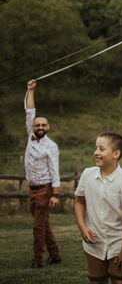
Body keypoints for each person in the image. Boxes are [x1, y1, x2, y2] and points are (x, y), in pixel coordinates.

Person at [74, 132, 122, 284]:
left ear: (116, 154)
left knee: (120, 281)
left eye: (101, 149)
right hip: (94, 242)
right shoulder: (87, 174)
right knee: (97, 280)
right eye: (96, 148)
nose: (96, 152)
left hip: (119, 243)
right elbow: (79, 202)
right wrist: (82, 227)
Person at [24, 79, 61, 269]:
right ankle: (55, 255)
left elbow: (55, 170)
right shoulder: (30, 137)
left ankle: (37, 260)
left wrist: (54, 194)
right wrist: (31, 90)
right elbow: (30, 111)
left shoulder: (51, 146)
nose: (39, 128)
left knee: (38, 227)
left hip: (45, 190)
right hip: (31, 189)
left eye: (43, 125)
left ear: (48, 127)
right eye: (37, 125)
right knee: (43, 224)